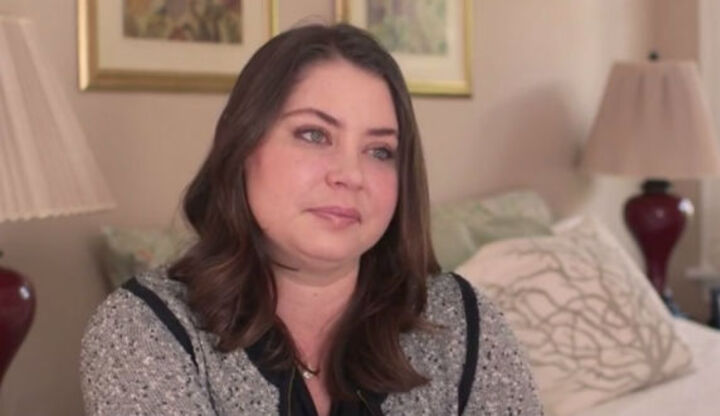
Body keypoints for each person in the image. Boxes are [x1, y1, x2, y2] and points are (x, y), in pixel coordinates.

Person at [80, 23, 542, 416]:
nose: (350, 175)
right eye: (314, 135)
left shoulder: (461, 323)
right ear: (243, 147)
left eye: (380, 151)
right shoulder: (144, 329)